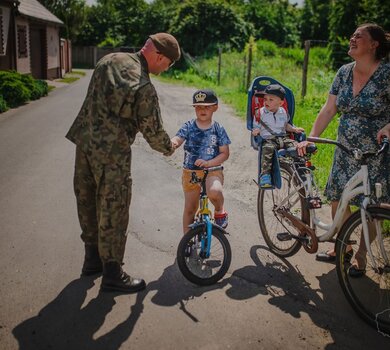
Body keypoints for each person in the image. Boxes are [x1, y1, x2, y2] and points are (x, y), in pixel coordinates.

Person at [65, 33, 181, 293]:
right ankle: (113, 274)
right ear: (159, 56)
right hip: (112, 155)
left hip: (84, 144)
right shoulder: (143, 86)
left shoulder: (109, 60)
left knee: (87, 201)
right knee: (113, 209)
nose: (166, 69)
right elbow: (153, 133)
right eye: (168, 64)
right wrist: (170, 146)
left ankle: (92, 260)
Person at [297, 23, 390, 277]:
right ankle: (344, 247)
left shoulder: (387, 74)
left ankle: (361, 255)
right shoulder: (344, 72)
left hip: (375, 153)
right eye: (352, 34)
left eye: (359, 36)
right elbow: (329, 109)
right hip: (345, 148)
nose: (352, 38)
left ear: (374, 44)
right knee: (339, 198)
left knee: (371, 204)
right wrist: (313, 138)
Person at [171, 89, 231, 233]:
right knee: (190, 209)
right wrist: (172, 143)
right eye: (198, 107)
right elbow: (177, 138)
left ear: (215, 107)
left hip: (212, 171)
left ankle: (219, 210)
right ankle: (186, 242)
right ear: (194, 108)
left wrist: (209, 163)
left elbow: (225, 153)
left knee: (214, 191)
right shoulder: (189, 126)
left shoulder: (218, 129)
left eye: (207, 107)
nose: (202, 110)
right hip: (191, 172)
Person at [252, 84, 304, 188]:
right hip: (268, 139)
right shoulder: (260, 113)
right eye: (265, 99)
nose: (266, 102)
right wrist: (256, 130)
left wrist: (294, 129)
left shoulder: (283, 112)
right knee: (268, 150)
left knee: (296, 145)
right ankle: (265, 175)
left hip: (283, 137)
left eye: (271, 100)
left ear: (280, 103)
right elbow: (255, 126)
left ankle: (300, 168)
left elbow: (285, 125)